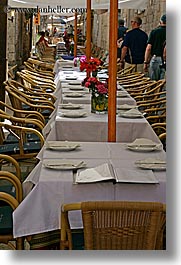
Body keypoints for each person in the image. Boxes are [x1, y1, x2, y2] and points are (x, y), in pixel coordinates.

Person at [143, 14, 166, 80]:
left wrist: (146, 62)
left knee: (154, 83)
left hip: (156, 58)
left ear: (161, 22)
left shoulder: (154, 32)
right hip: (166, 59)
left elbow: (148, 48)